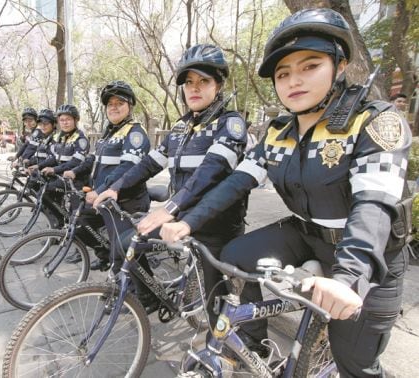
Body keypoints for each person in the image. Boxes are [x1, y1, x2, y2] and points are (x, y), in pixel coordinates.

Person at [160, 8, 411, 375]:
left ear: (340, 66)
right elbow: (235, 183)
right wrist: (187, 221)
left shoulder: (374, 121)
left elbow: (373, 205)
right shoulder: (277, 133)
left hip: (371, 257)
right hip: (306, 235)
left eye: (310, 66)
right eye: (283, 73)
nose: (294, 80)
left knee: (356, 364)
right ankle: (253, 338)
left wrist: (348, 280)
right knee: (234, 254)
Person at [94, 44, 249, 315]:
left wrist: (169, 209)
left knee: (216, 304)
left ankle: (224, 347)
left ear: (219, 84)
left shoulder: (230, 124)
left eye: (203, 81)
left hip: (216, 223)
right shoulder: (181, 127)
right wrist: (116, 188)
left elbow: (209, 172)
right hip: (181, 215)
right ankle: (150, 297)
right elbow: (149, 163)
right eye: (189, 82)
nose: (194, 88)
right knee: (124, 242)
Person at [63, 81, 151, 269]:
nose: (114, 107)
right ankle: (104, 253)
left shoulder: (135, 132)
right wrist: (73, 171)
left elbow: (127, 167)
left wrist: (101, 190)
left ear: (130, 105)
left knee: (126, 253)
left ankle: (139, 293)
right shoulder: (109, 134)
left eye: (119, 103)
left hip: (127, 200)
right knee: (79, 221)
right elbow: (91, 160)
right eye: (110, 104)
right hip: (104, 198)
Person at [38, 104, 90, 190]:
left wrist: (54, 169)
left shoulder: (81, 138)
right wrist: (39, 166)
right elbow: (55, 158)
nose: (65, 123)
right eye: (62, 120)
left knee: (45, 191)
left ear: (75, 120)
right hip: (61, 175)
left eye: (68, 119)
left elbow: (75, 162)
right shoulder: (61, 138)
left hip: (75, 179)